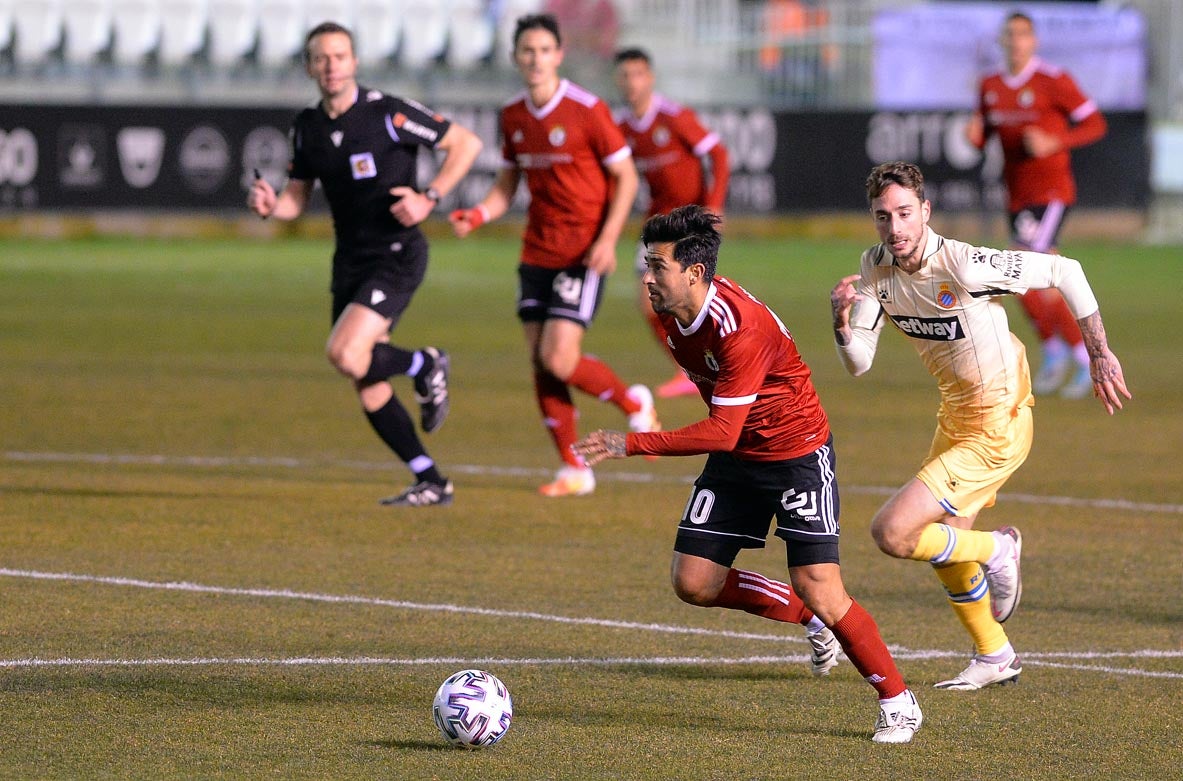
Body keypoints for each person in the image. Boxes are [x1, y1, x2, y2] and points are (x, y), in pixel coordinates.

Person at [574, 205, 923, 744]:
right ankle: (805, 617)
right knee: (693, 582)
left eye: (657, 266)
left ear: (694, 273)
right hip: (739, 454)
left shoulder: (740, 327)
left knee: (823, 588)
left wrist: (631, 442)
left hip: (796, 455)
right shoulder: (672, 313)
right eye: (646, 264)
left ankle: (897, 700)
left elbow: (721, 432)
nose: (646, 277)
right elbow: (727, 429)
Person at [830, 161, 1129, 689]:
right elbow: (861, 362)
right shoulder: (875, 267)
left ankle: (1001, 549)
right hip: (955, 417)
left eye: (904, 213)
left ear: (925, 211)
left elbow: (1067, 271)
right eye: (883, 217)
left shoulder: (965, 264)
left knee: (894, 532)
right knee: (946, 548)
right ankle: (995, 656)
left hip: (999, 420)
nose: (894, 228)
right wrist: (841, 326)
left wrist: (1100, 353)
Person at [247, 22, 482, 507]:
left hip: (397, 253)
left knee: (346, 354)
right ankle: (431, 480)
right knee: (366, 378)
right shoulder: (307, 127)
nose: (331, 66)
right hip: (349, 261)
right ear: (310, 66)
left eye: (339, 56)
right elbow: (296, 198)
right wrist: (272, 205)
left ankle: (426, 363)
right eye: (321, 58)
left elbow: (466, 144)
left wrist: (429, 197)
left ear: (354, 62)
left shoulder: (389, 114)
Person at [449, 13, 659, 498]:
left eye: (545, 50)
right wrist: (479, 215)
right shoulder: (513, 116)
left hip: (582, 252)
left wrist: (608, 240)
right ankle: (574, 468)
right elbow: (508, 182)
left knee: (559, 357)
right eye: (527, 50)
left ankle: (634, 402)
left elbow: (626, 178)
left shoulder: (587, 109)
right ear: (515, 57)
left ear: (559, 55)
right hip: (536, 253)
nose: (536, 58)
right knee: (542, 364)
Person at [966, 11, 1107, 399]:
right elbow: (986, 135)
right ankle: (1061, 351)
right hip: (1017, 196)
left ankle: (1078, 355)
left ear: (1034, 41)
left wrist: (1054, 141)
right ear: (1002, 41)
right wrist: (975, 137)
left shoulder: (1053, 80)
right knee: (1037, 280)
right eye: (1009, 34)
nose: (1016, 41)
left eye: (1023, 34)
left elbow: (1095, 124)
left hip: (1051, 193)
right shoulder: (990, 85)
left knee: (1018, 269)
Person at [613, 47, 731, 399]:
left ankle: (723, 366)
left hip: (689, 224)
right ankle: (689, 371)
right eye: (624, 76)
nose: (632, 83)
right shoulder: (622, 128)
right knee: (649, 302)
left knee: (697, 301)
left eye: (638, 74)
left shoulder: (674, 116)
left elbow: (719, 154)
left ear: (650, 78)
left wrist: (713, 207)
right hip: (656, 226)